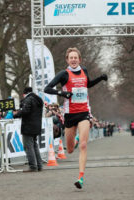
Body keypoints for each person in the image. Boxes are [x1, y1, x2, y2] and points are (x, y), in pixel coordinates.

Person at [44, 47, 107, 189]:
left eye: (75, 57)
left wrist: (100, 78)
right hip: (69, 114)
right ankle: (76, 139)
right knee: (71, 149)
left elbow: (88, 84)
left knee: (84, 145)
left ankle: (81, 178)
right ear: (67, 60)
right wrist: (62, 93)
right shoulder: (63, 74)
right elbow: (47, 88)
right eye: (71, 58)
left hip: (84, 112)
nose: (73, 60)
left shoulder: (84, 70)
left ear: (79, 59)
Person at [13, 87, 44, 172]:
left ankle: (33, 166)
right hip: (36, 126)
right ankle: (39, 165)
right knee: (34, 145)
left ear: (25, 93)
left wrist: (16, 114)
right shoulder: (38, 99)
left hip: (28, 126)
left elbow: (25, 111)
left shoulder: (28, 99)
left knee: (28, 146)